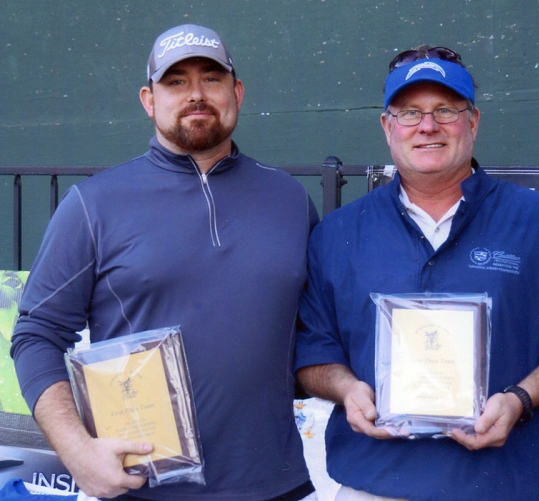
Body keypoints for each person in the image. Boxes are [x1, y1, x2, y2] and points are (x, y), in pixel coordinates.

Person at [293, 45, 539, 500]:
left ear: (473, 121)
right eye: (409, 112)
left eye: (445, 110)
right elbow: (314, 353)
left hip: (511, 484)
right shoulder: (336, 235)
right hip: (375, 484)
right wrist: (346, 388)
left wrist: (519, 400)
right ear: (387, 127)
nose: (427, 126)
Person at [11, 24, 318, 501]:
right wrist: (76, 451)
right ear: (148, 100)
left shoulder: (290, 200)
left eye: (211, 79)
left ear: (236, 91)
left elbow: (314, 333)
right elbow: (36, 334)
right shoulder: (94, 205)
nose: (195, 94)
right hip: (143, 486)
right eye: (175, 82)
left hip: (278, 485)